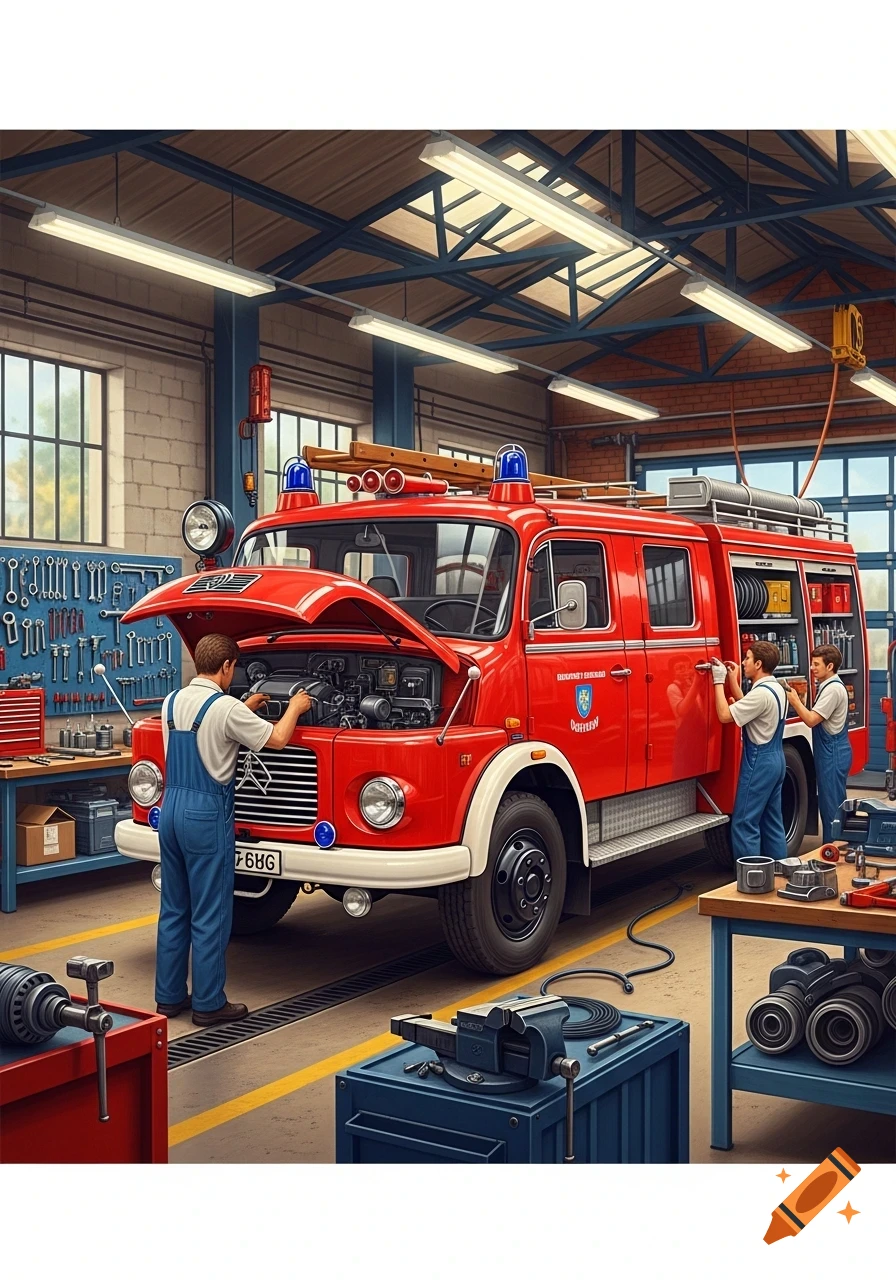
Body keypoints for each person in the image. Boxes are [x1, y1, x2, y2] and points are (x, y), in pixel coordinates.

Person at [155, 634, 311, 1026]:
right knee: (211, 912)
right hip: (204, 815)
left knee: (174, 907)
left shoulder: (171, 702)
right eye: (234, 669)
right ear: (227, 667)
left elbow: (207, 726)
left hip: (171, 808)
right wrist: (294, 707)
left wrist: (243, 707)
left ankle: (169, 997)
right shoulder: (225, 707)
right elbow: (276, 738)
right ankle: (208, 1004)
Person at [711, 641, 788, 861]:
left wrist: (718, 680)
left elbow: (725, 715)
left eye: (747, 658)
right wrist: (733, 680)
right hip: (776, 759)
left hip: (759, 761)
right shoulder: (775, 688)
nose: (743, 662)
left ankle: (751, 884)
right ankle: (779, 873)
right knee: (772, 822)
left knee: (745, 822)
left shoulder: (761, 694)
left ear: (759, 663)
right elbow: (749, 706)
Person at [784, 644, 851, 844]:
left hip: (833, 753)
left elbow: (812, 720)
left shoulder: (832, 689)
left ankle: (833, 854)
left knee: (832, 810)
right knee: (831, 805)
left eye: (816, 664)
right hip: (832, 751)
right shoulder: (829, 686)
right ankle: (836, 848)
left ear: (830, 666)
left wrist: (795, 702)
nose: (812, 668)